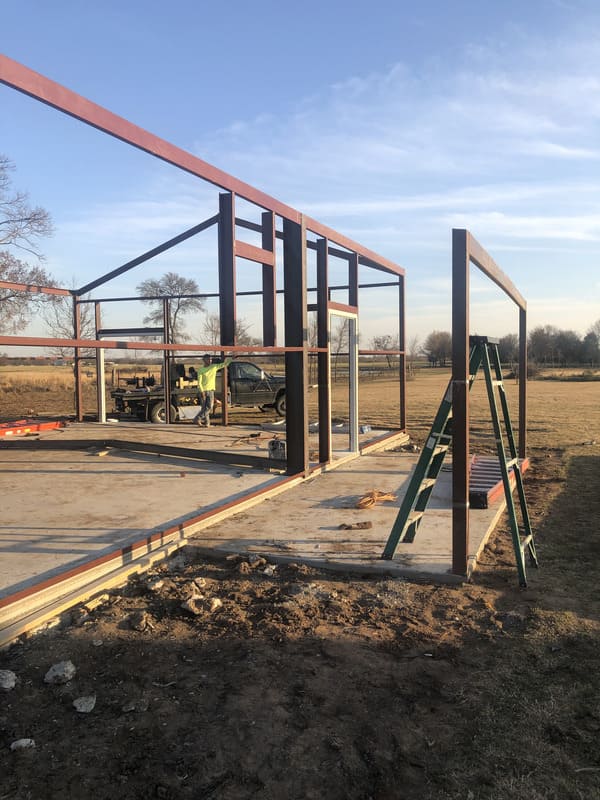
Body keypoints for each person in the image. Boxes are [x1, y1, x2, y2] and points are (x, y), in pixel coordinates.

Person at [195, 354, 232, 427]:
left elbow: (224, 364)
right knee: (204, 408)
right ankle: (205, 422)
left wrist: (231, 358)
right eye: (208, 359)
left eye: (211, 359)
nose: (210, 360)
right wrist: (202, 391)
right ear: (204, 360)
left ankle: (199, 419)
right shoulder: (201, 370)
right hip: (203, 391)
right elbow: (199, 382)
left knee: (209, 407)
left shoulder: (214, 367)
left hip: (211, 390)